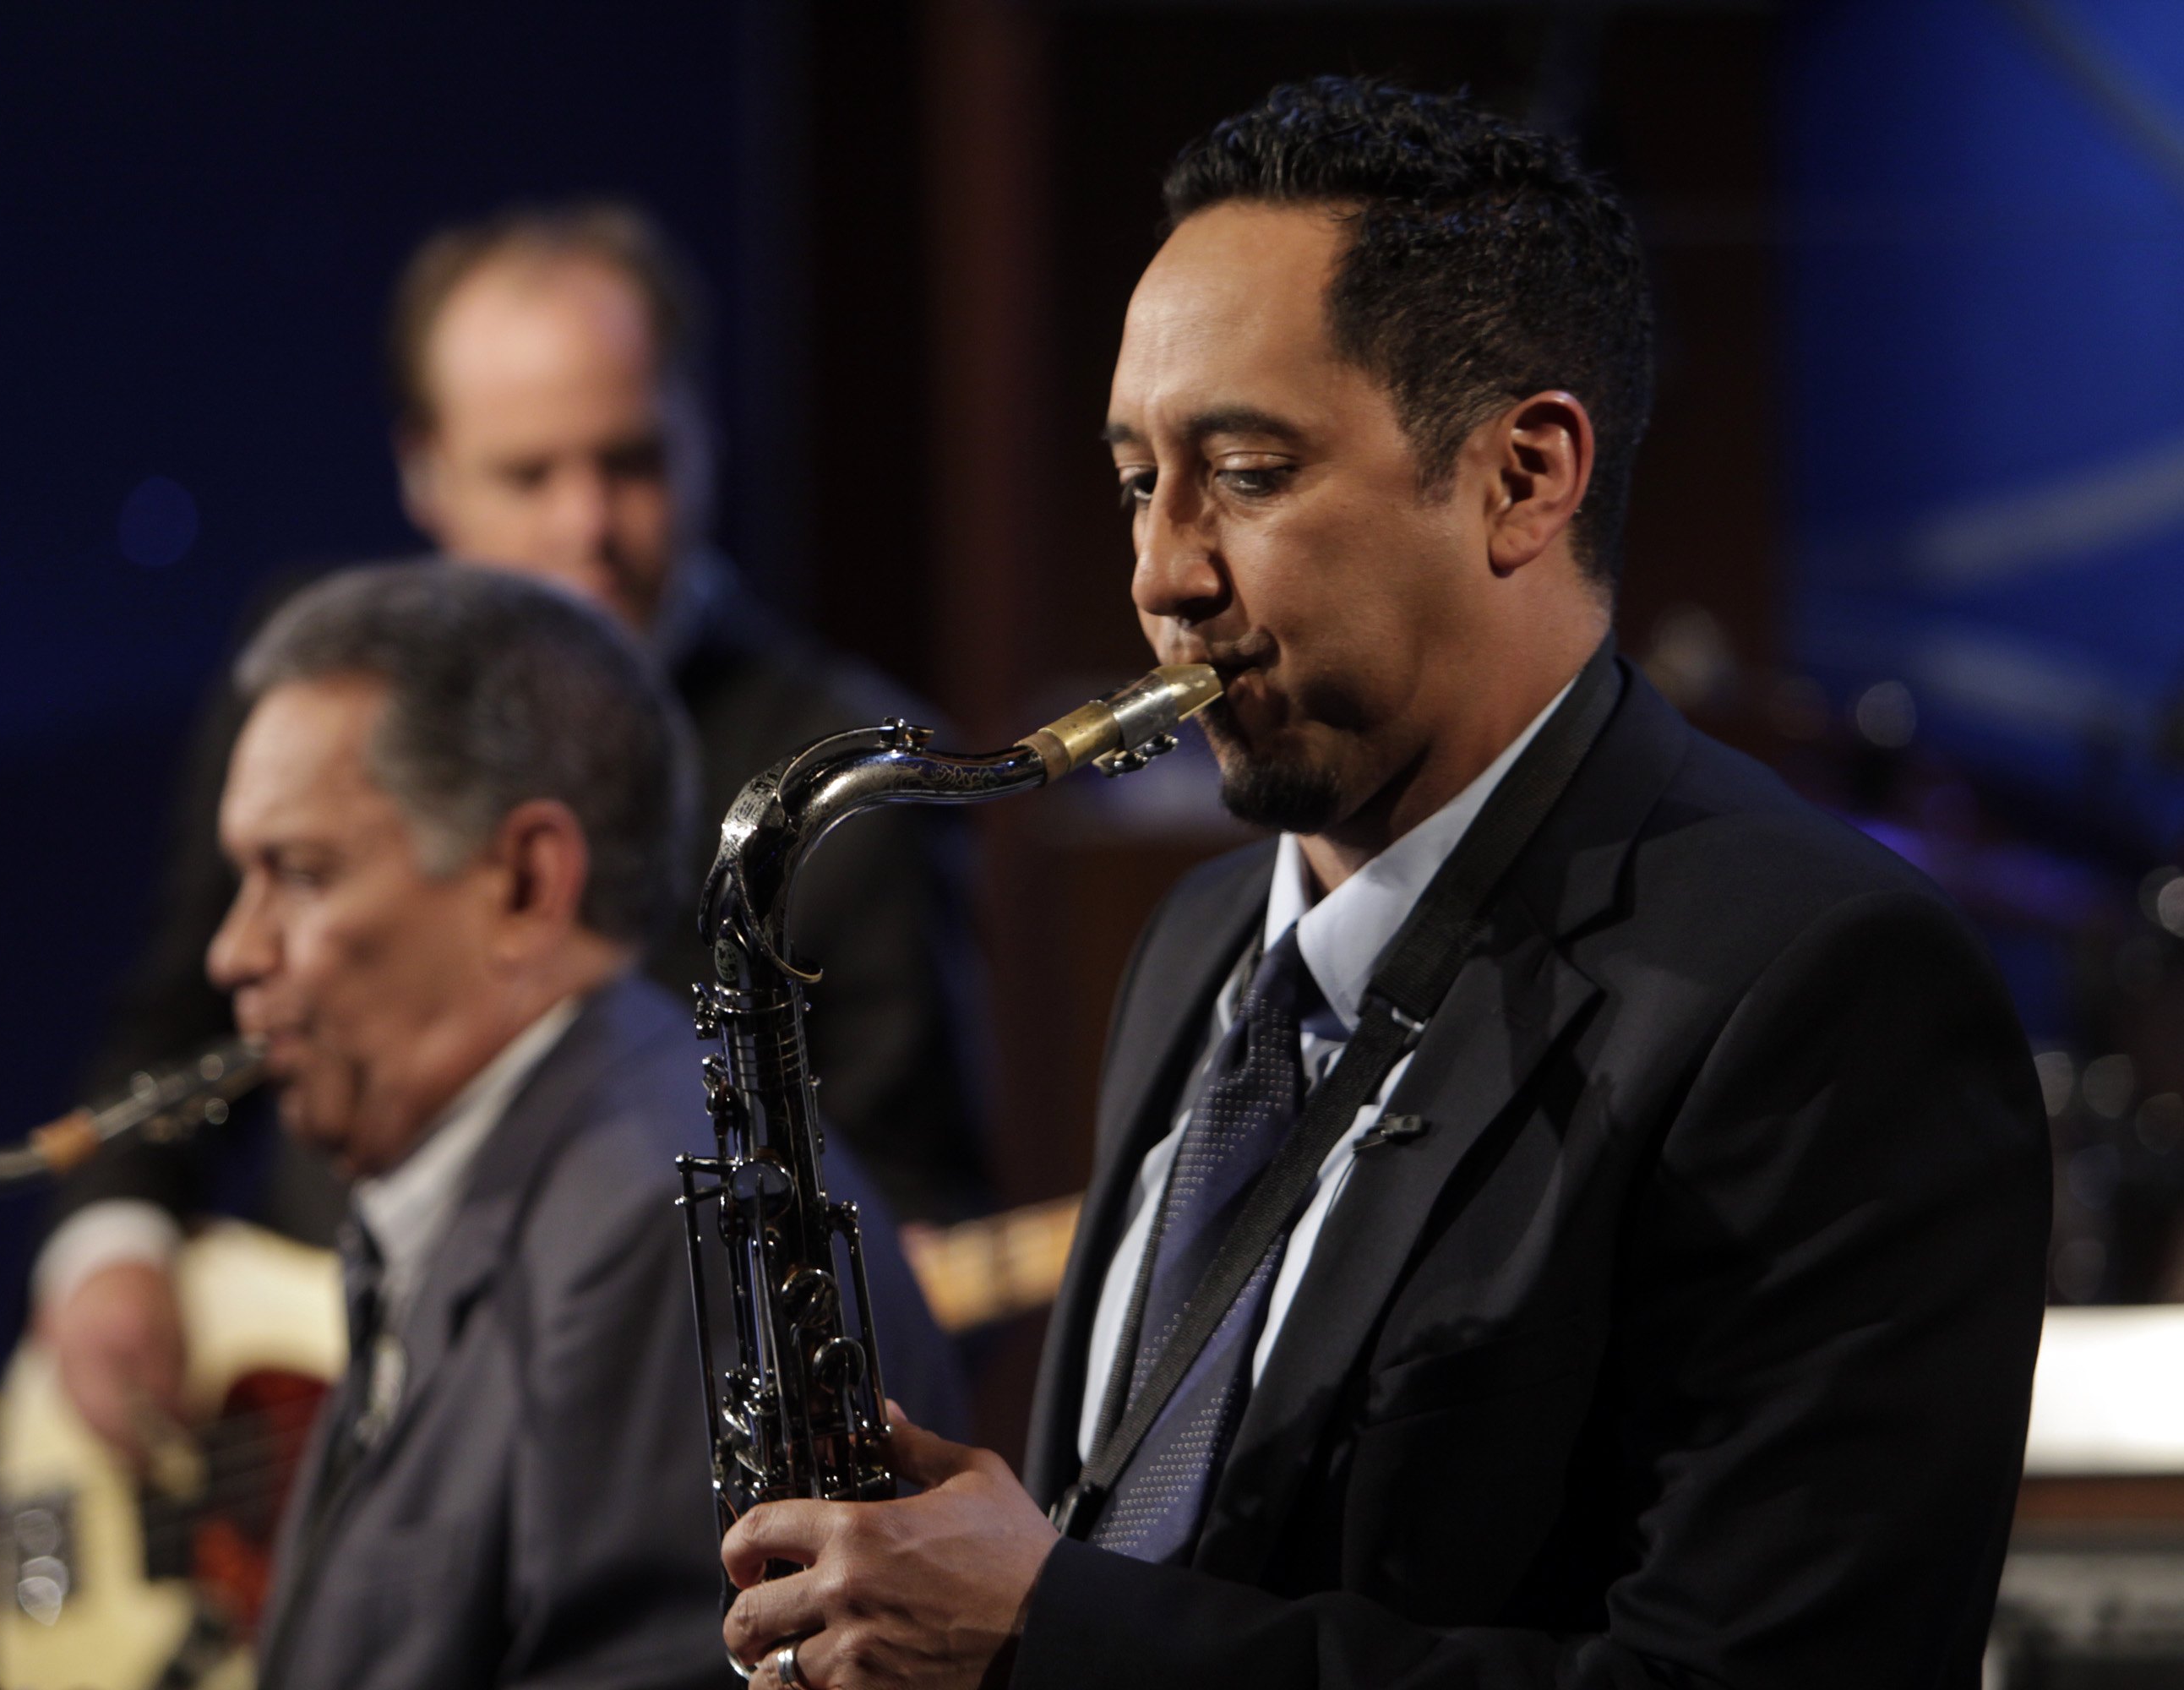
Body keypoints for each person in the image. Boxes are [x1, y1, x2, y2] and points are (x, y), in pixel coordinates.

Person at [715, 78, 2050, 1688]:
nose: (1160, 572)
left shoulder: (1828, 989)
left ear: (1525, 478)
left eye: (1250, 473)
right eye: (1141, 476)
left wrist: (1061, 1626)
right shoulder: (1199, 943)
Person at [40, 204, 987, 1462]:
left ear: (705, 436)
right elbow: (180, 1022)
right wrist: (110, 1247)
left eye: (633, 462)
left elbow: (915, 1224)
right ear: (421, 470)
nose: (587, 528)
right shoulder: (313, 689)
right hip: (283, 1443)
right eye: (529, 475)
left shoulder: (854, 780)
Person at [191, 562, 954, 1689]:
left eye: (296, 874)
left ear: (524, 883)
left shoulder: (652, 1227)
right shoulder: (549, 1179)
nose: (234, 952)